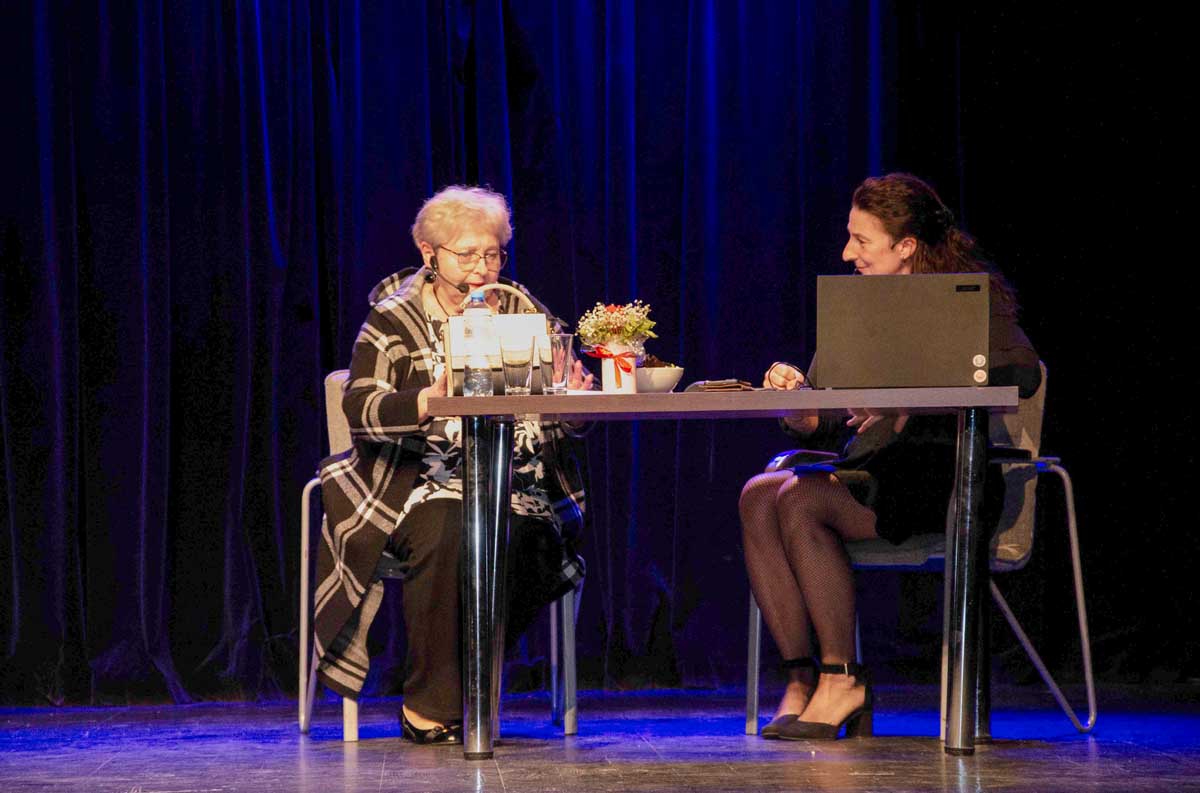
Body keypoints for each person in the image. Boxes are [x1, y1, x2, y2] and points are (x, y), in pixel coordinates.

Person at [740, 173, 1041, 741]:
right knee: (758, 495)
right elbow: (837, 414)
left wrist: (912, 394)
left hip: (946, 479)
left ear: (905, 246)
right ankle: (802, 679)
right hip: (879, 472)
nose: (846, 253)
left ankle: (843, 679)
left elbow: (1022, 372)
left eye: (861, 240)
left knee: (801, 498)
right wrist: (802, 408)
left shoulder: (963, 300)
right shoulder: (863, 308)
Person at [313, 185, 593, 745]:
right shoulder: (393, 317)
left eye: (492, 254)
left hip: (516, 482)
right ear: (430, 253)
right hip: (418, 481)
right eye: (466, 255)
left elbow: (567, 408)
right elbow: (361, 406)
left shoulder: (521, 307)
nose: (481, 268)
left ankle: (465, 692)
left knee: (524, 538)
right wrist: (426, 399)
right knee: (451, 529)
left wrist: (574, 402)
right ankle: (433, 704)